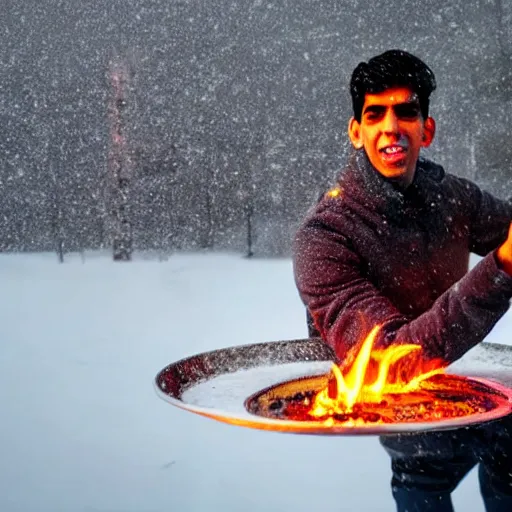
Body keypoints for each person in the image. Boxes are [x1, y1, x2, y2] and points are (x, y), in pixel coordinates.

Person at [292, 49, 512, 511]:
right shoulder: (325, 236)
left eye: (406, 111)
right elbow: (393, 358)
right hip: (409, 429)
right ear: (357, 131)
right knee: (422, 490)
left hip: (485, 404)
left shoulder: (451, 197)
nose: (391, 126)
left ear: (426, 130)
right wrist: (502, 268)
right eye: (375, 114)